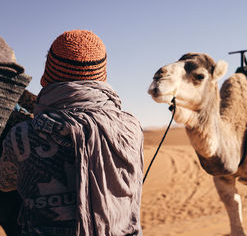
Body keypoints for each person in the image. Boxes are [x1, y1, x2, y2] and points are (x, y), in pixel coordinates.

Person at [0, 30, 144, 236]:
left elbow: (5, 183)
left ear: (47, 73)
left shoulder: (21, 136)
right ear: (102, 75)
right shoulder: (132, 128)